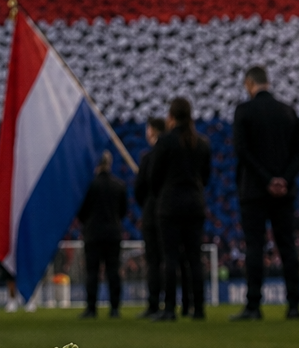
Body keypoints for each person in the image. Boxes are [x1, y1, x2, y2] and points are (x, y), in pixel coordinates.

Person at [230, 66, 299, 321]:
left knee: (255, 248)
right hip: (284, 193)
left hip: (253, 191)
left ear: (249, 84)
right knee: (287, 247)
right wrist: (283, 179)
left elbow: (242, 151)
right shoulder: (287, 111)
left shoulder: (244, 111)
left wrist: (266, 179)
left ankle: (254, 306)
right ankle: (294, 305)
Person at [146, 98, 212, 321]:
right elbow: (206, 176)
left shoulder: (165, 142)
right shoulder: (201, 143)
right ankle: (199, 308)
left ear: (171, 116)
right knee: (194, 258)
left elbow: (154, 177)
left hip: (170, 206)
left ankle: (169, 309)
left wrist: (163, 195)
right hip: (194, 205)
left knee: (170, 258)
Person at [77, 152, 128, 317]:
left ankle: (91, 308)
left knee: (92, 272)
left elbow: (81, 211)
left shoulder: (89, 186)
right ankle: (115, 308)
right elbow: (123, 211)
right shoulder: (119, 185)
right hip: (113, 233)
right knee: (113, 271)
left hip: (93, 234)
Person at [134, 117, 168, 318]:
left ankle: (154, 304)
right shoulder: (172, 155)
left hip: (152, 215)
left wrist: (148, 205)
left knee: (154, 261)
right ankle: (175, 303)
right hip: (168, 212)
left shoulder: (148, 158)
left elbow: (139, 190)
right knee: (169, 260)